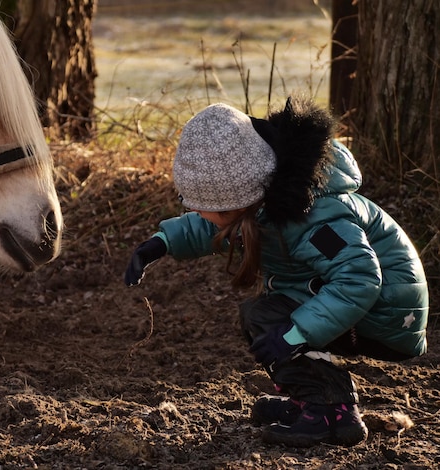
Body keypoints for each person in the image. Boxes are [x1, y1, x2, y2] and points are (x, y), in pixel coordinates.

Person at [123, 95, 428, 447]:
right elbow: (210, 227)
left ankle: (333, 412)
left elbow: (358, 278)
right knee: (263, 316)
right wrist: (158, 244)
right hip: (359, 304)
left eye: (209, 207)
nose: (197, 212)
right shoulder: (268, 201)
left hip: (388, 313)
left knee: (269, 320)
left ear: (240, 198)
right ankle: (309, 401)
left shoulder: (318, 219)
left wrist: (295, 335)